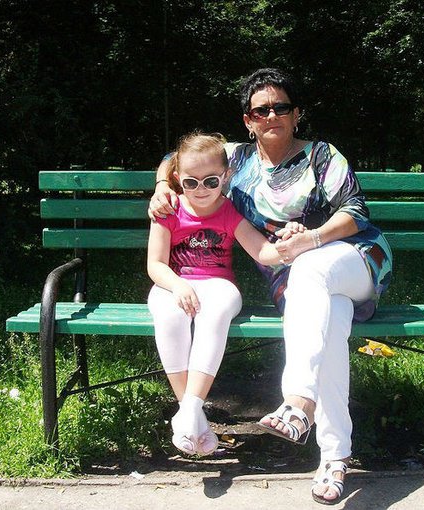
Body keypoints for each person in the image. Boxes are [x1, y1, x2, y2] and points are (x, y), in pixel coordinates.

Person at [149, 69, 393, 504]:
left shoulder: (321, 155)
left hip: (352, 258)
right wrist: (159, 188)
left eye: (281, 107)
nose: (271, 116)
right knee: (331, 321)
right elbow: (176, 157)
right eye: (260, 110)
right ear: (248, 120)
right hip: (296, 282)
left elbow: (356, 211)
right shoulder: (235, 159)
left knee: (311, 270)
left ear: (296, 114)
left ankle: (298, 402)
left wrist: (312, 239)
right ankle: (335, 457)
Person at [147, 131, 291, 457]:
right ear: (177, 179)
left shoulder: (228, 211)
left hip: (217, 284)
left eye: (211, 181)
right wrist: (178, 285)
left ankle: (187, 411)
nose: (201, 190)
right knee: (168, 315)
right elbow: (155, 265)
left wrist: (288, 246)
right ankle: (193, 416)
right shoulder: (168, 211)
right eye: (191, 182)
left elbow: (261, 251)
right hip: (172, 282)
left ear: (226, 177)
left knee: (217, 311)